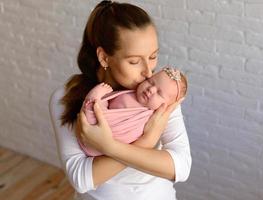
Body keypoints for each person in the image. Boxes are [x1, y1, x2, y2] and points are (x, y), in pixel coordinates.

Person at [49, 1, 191, 200]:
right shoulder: (66, 97)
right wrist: (146, 142)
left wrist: (110, 147)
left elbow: (181, 167)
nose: (148, 71)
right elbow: (81, 179)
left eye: (153, 56)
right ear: (104, 58)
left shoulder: (159, 93)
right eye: (134, 61)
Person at [79, 67, 188, 156]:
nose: (151, 89)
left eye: (159, 93)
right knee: (95, 108)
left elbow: (127, 135)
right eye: (150, 82)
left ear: (165, 106)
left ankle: (93, 100)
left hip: (108, 135)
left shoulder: (146, 118)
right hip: (94, 127)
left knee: (93, 109)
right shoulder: (132, 90)